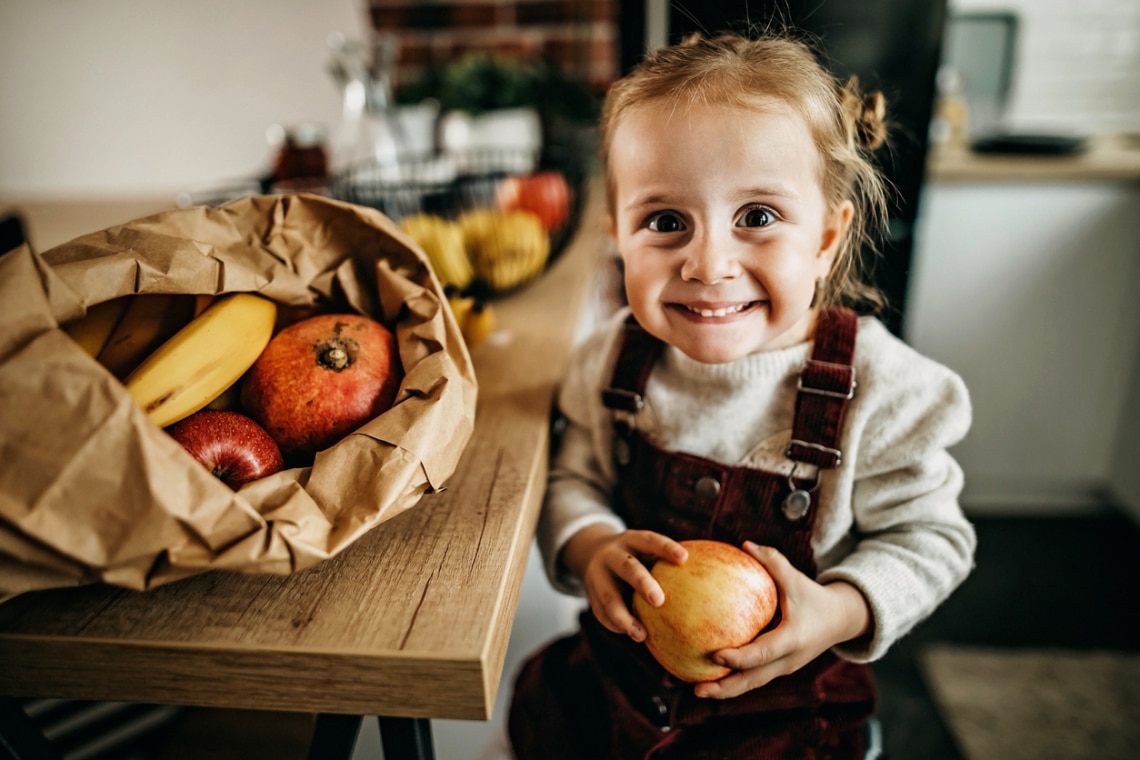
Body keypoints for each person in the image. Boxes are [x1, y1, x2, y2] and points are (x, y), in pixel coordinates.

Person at [506, 29, 975, 760]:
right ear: (618, 236)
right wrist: (591, 543)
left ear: (825, 237)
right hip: (612, 697)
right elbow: (575, 477)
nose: (709, 263)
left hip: (784, 733)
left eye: (757, 217)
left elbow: (932, 539)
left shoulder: (887, 392)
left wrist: (840, 610)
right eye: (664, 222)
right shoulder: (608, 363)